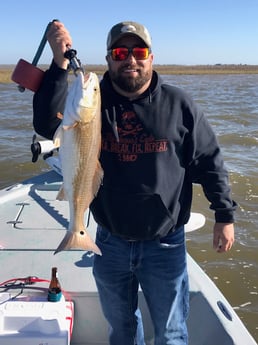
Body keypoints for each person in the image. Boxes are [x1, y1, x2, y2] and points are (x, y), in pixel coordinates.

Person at [33, 20, 237, 345]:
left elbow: (210, 161)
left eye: (139, 51)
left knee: (171, 334)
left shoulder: (180, 105)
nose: (130, 59)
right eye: (119, 52)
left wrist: (224, 216)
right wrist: (59, 64)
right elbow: (47, 124)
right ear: (109, 59)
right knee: (122, 333)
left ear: (151, 58)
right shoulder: (95, 103)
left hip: (165, 244)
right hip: (109, 242)